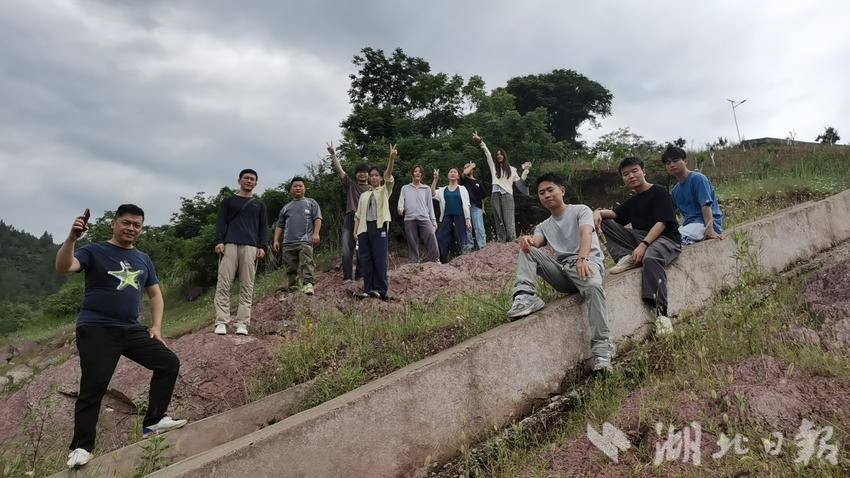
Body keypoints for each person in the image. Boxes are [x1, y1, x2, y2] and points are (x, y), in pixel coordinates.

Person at [55, 204, 186, 469]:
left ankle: (154, 422)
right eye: (126, 223)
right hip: (97, 328)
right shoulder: (94, 250)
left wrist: (157, 327)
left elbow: (155, 294)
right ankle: (81, 447)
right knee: (94, 386)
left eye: (137, 225)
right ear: (113, 223)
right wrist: (71, 238)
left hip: (130, 329)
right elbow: (64, 267)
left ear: (141, 229)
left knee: (168, 363)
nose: (131, 228)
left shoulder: (143, 258)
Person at [508, 174, 614, 372]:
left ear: (562, 191)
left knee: (593, 287)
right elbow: (537, 241)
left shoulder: (581, 210)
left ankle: (602, 352)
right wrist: (528, 240)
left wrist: (583, 258)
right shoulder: (543, 226)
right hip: (564, 272)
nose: (547, 195)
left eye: (551, 190)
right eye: (542, 193)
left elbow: (586, 232)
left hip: (586, 264)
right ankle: (525, 296)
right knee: (527, 250)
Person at [593, 157, 682, 325]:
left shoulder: (659, 192)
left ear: (643, 172)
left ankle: (661, 314)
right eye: (626, 174)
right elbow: (615, 214)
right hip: (642, 239)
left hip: (666, 239)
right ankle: (626, 257)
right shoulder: (633, 200)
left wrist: (643, 245)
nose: (631, 176)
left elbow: (662, 223)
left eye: (635, 171)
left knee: (651, 258)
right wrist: (597, 212)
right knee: (605, 222)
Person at [212, 169, 268, 336]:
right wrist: (219, 241)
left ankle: (242, 323)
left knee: (247, 285)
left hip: (251, 246)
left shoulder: (259, 205)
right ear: (239, 180)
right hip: (229, 244)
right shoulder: (228, 201)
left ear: (256, 183)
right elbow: (221, 222)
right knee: (223, 283)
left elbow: (263, 227)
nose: (249, 181)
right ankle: (221, 321)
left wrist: (262, 246)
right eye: (246, 178)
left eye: (252, 179)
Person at [354, 144, 397, 300]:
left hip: (379, 227)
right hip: (364, 229)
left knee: (379, 258)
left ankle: (381, 290)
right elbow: (358, 215)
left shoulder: (385, 190)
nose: (373, 177)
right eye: (371, 175)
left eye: (376, 175)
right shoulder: (364, 195)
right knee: (366, 259)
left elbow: (389, 176)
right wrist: (355, 231)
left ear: (380, 178)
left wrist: (391, 159)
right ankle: (368, 289)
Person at [472, 132, 531, 242]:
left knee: (509, 220)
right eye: (497, 154)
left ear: (504, 156)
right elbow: (487, 153)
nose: (499, 156)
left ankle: (512, 241)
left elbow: (519, 182)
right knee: (498, 219)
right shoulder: (493, 167)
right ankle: (501, 242)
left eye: (501, 154)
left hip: (507, 195)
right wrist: (480, 141)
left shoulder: (512, 169)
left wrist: (526, 170)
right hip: (495, 195)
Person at [661, 145, 724, 245]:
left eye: (675, 161)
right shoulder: (675, 191)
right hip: (690, 225)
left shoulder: (698, 179)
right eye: (668, 163)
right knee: (665, 239)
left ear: (685, 161)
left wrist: (710, 230)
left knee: (675, 241)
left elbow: (706, 205)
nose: (672, 165)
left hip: (706, 223)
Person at [328, 142, 371, 281]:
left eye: (364, 172)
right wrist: (333, 154)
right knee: (347, 249)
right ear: (356, 174)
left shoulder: (372, 189)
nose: (362, 174)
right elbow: (340, 170)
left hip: (364, 219)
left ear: (368, 175)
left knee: (361, 249)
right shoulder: (351, 185)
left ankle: (360, 276)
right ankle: (347, 277)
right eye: (359, 172)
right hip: (350, 218)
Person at [272, 176, 322, 294]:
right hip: (288, 242)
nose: (298, 188)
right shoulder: (286, 207)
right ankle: (293, 286)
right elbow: (280, 225)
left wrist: (316, 234)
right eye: (295, 186)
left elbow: (318, 218)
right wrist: (276, 240)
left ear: (305, 188)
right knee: (290, 267)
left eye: (300, 186)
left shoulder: (311, 202)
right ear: (291, 189)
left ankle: (308, 284)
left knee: (306, 262)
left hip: (305, 240)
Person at [397, 165, 439, 263]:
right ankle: (414, 262)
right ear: (412, 174)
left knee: (431, 235)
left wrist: (433, 221)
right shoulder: (405, 188)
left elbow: (430, 206)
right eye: (415, 171)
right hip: (409, 218)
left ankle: (435, 260)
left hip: (424, 218)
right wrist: (400, 208)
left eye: (419, 171)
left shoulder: (426, 188)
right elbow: (401, 200)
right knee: (412, 241)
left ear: (422, 175)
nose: (417, 173)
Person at [431, 167, 472, 263]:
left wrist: (468, 219)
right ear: (448, 175)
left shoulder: (462, 189)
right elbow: (432, 194)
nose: (453, 173)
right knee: (440, 238)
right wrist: (435, 180)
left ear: (458, 176)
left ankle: (463, 261)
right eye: (451, 172)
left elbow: (467, 204)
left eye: (455, 172)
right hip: (446, 217)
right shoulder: (442, 190)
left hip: (460, 217)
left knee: (461, 239)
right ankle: (443, 261)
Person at [460, 161, 488, 251]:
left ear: (473, 170)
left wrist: (483, 208)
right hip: (465, 207)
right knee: (468, 228)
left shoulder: (477, 182)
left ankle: (482, 247)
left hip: (476, 207)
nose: (467, 168)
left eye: (468, 167)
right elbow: (464, 174)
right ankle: (469, 248)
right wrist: (471, 165)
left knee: (479, 228)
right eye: (465, 167)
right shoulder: (463, 180)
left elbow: (482, 197)